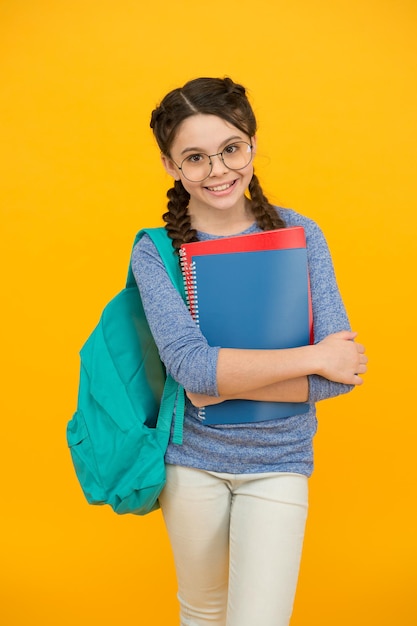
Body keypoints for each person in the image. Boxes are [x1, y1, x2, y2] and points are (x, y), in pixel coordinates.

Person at [132, 77, 367, 626]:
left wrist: (218, 384)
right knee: (203, 611)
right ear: (171, 166)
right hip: (191, 465)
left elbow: (342, 372)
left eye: (231, 149)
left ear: (253, 145)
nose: (217, 171)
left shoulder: (301, 234)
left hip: (280, 463)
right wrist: (311, 357)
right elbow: (190, 369)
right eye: (195, 157)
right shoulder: (157, 250)